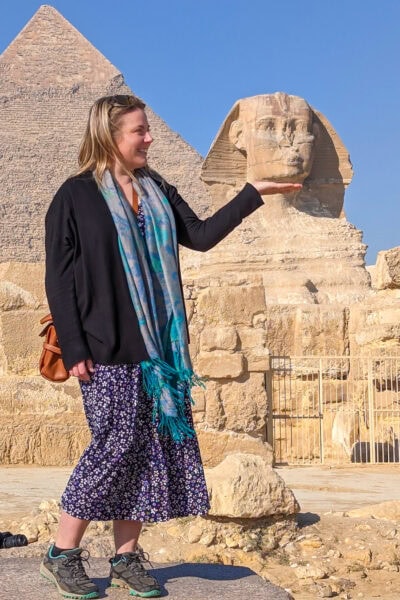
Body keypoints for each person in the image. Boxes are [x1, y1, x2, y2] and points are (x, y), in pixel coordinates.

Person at [40, 94, 302, 599]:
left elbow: (200, 237)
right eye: (139, 130)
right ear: (109, 135)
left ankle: (125, 557)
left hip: (160, 352)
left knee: (147, 453)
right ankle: (62, 551)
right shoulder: (73, 197)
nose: (149, 138)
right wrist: (74, 347)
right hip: (104, 345)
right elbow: (60, 280)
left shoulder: (157, 188)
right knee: (113, 449)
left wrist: (252, 192)